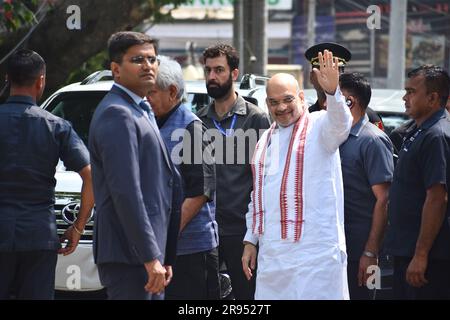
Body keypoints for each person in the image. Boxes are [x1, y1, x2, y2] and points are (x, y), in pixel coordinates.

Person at [242, 50, 352, 299]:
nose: (281, 108)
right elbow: (259, 194)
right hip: (274, 258)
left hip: (315, 257)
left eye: (287, 99)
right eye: (273, 102)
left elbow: (340, 124)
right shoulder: (265, 141)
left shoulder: (320, 125)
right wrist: (251, 240)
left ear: (302, 98)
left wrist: (333, 93)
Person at [88, 31, 182, 300]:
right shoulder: (117, 113)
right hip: (130, 255)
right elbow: (126, 192)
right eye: (137, 59)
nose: (148, 65)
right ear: (116, 69)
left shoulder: (140, 108)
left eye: (152, 59)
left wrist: (160, 255)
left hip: (147, 253)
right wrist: (149, 256)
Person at [0, 49, 94, 299]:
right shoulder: (56, 126)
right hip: (39, 235)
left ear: (7, 78)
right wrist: (78, 227)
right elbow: (91, 177)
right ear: (41, 80)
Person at [196, 44, 271, 300]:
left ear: (234, 73)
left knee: (247, 298)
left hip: (242, 232)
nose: (212, 77)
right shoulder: (198, 121)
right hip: (205, 231)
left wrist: (256, 233)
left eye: (219, 70)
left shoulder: (256, 119)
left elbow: (264, 179)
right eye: (208, 70)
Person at [147, 55, 219, 300]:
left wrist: (164, 236)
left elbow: (200, 193)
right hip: (159, 249)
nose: (146, 98)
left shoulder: (192, 129)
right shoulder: (151, 122)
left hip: (190, 251)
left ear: (172, 91)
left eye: (152, 92)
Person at [385, 65, 450, 300]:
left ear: (432, 98)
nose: (405, 97)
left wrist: (421, 255)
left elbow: (437, 197)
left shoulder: (437, 135)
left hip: (428, 259)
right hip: (406, 252)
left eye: (411, 91)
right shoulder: (417, 131)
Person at [338, 73, 394, 300]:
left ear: (349, 101)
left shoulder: (373, 140)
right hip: (338, 249)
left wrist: (371, 252)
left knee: (368, 296)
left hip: (366, 253)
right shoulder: (335, 137)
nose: (325, 104)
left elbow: (385, 200)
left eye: (333, 97)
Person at [305, 42, 384, 130]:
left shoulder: (365, 116)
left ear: (342, 76)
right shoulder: (306, 117)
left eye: (332, 71)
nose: (326, 76)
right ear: (311, 77)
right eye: (321, 71)